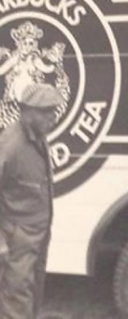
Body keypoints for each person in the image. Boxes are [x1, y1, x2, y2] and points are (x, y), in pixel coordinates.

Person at [0, 83, 63, 318]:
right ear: (26, 111)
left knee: (32, 291)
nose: (53, 117)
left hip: (36, 236)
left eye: (54, 111)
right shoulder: (11, 145)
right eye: (46, 111)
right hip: (17, 239)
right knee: (16, 297)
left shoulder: (37, 136)